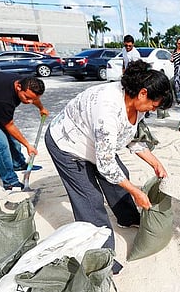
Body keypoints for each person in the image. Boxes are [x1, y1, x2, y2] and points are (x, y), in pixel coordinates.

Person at [45, 60, 172, 274]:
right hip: (68, 146)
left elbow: (131, 137)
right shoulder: (107, 109)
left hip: (96, 144)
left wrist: (155, 162)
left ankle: (128, 218)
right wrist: (135, 191)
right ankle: (101, 258)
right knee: (90, 200)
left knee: (121, 176)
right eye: (154, 104)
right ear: (143, 93)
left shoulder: (137, 104)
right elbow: (105, 165)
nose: (153, 109)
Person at [0, 73, 47, 190]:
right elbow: (9, 125)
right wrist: (28, 146)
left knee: (13, 139)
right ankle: (10, 181)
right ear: (18, 87)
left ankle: (18, 164)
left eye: (33, 99)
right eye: (27, 98)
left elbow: (34, 97)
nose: (29, 102)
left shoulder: (24, 82)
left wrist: (41, 108)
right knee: (0, 144)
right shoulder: (4, 100)